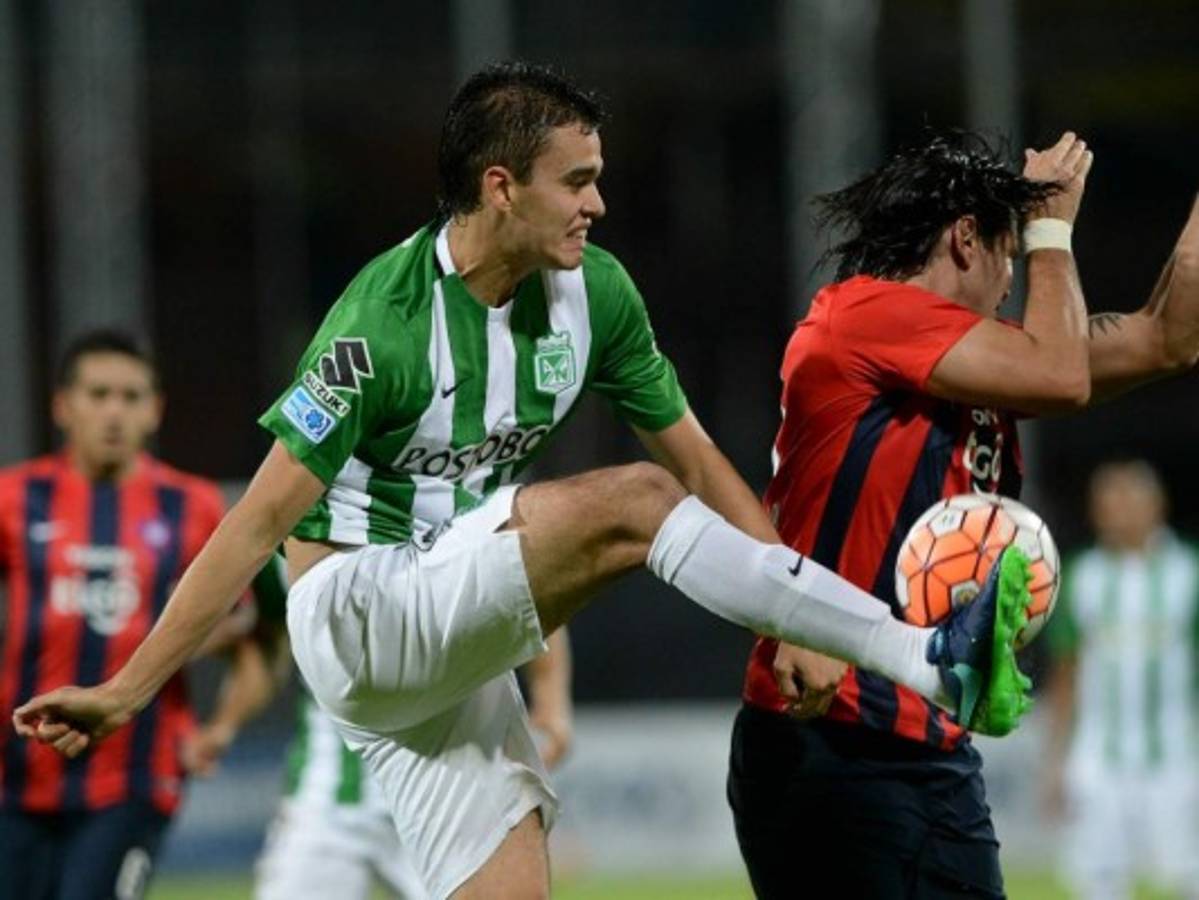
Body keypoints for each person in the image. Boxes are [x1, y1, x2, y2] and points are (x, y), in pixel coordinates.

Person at [13, 64, 1035, 899]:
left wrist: (787, 622)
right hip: (358, 611)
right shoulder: (381, 325)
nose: (597, 201)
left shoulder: (595, 293)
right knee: (631, 503)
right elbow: (253, 525)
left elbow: (698, 458)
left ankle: (884, 643)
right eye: (576, 179)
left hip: (450, 648)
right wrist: (128, 690)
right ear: (500, 186)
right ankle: (924, 653)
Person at [727, 131, 1199, 898]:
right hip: (841, 733)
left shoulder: (965, 358)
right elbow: (1059, 373)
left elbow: (1168, 339)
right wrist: (1051, 228)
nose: (1012, 280)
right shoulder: (863, 316)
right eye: (1008, 255)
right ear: (965, 237)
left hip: (916, 740)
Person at [0, 331, 259, 900]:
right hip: (15, 780)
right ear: (63, 406)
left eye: (130, 396)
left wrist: (222, 727)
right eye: (98, 394)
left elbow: (253, 633)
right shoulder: (16, 498)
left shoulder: (192, 506)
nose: (114, 411)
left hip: (136, 777)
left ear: (154, 410)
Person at [235, 555, 573, 900]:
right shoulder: (284, 533)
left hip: (446, 786)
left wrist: (550, 695)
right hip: (328, 797)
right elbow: (268, 640)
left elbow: (520, 581)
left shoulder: (442, 504)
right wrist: (224, 724)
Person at [1044, 460, 1199, 900]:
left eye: (1129, 500)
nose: (1118, 512)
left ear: (1157, 505)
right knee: (1098, 882)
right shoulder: (1081, 576)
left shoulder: (1189, 572)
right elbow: (1066, 670)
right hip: (1098, 759)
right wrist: (1054, 761)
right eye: (1107, 503)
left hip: (1176, 758)